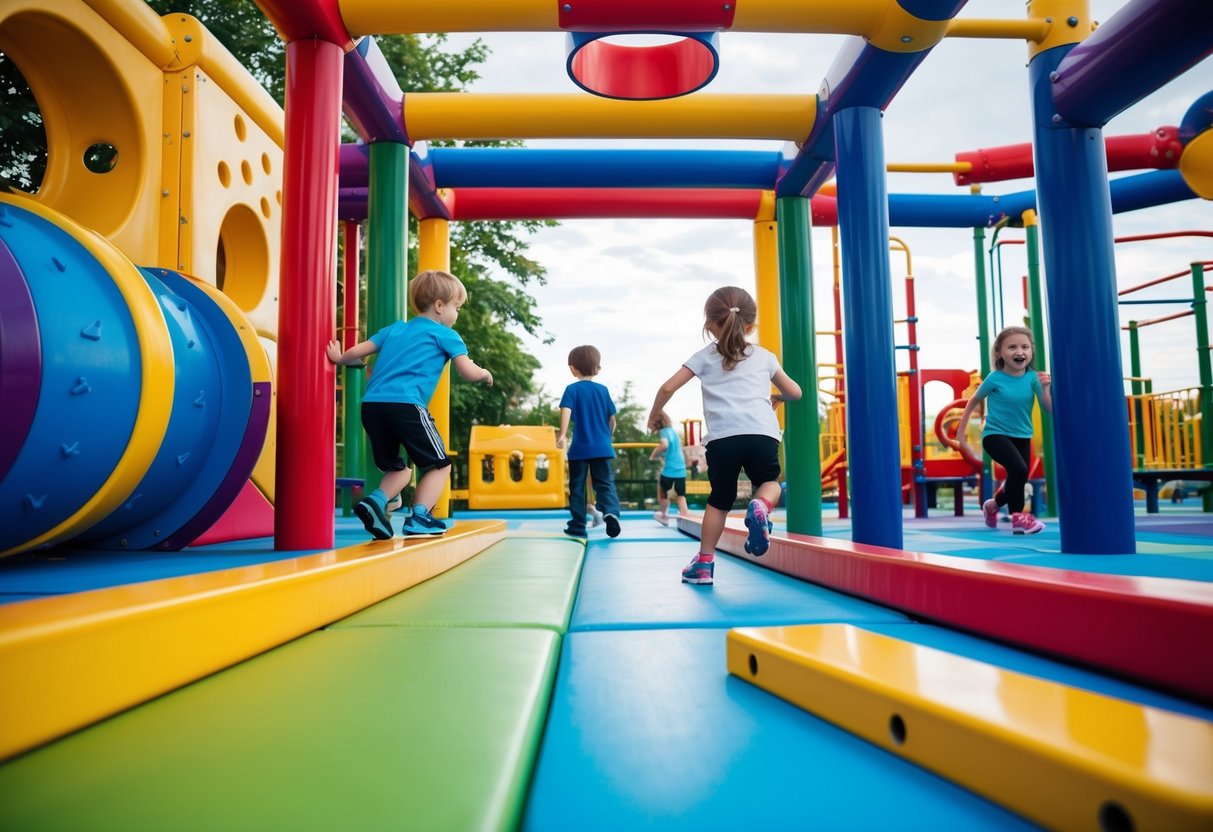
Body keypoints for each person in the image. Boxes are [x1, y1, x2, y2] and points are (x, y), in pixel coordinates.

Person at [647, 286, 802, 585]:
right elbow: (795, 392)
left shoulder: (704, 356)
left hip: (723, 439)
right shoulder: (765, 357)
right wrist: (778, 396)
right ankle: (761, 506)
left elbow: (667, 387)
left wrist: (654, 414)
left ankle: (704, 564)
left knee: (720, 500)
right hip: (762, 433)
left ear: (709, 323)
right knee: (769, 483)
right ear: (751, 324)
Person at [327, 269, 493, 540]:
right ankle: (419, 517)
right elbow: (467, 371)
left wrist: (340, 357)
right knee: (440, 465)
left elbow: (357, 352)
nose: (457, 314)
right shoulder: (446, 334)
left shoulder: (395, 329)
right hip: (407, 405)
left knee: (399, 468)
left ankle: (377, 502)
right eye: (457, 308)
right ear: (440, 306)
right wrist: (484, 373)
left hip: (371, 407)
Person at [955, 325, 1052, 535]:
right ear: (999, 352)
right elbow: (974, 401)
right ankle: (1019, 519)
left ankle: (992, 506)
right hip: (994, 435)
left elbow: (1048, 409)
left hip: (1022, 435)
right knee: (1018, 470)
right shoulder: (995, 378)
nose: (1019, 352)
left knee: (1018, 476)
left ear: (1031, 351)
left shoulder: (1033, 378)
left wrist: (1045, 389)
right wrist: (960, 433)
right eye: (1012, 347)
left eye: (1025, 347)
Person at [555, 345, 622, 539]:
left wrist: (562, 434)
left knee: (577, 487)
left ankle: (577, 526)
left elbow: (566, 411)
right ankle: (610, 511)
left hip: (580, 449)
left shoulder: (571, 390)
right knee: (605, 484)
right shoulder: (602, 390)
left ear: (573, 368)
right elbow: (612, 420)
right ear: (597, 367)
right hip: (602, 447)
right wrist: (607, 438)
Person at [648, 410, 690, 525]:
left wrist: (652, 455)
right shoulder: (672, 431)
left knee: (662, 491)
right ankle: (686, 520)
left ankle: (664, 516)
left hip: (670, 469)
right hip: (681, 469)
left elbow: (664, 444)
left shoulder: (664, 432)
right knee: (681, 496)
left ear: (655, 422)